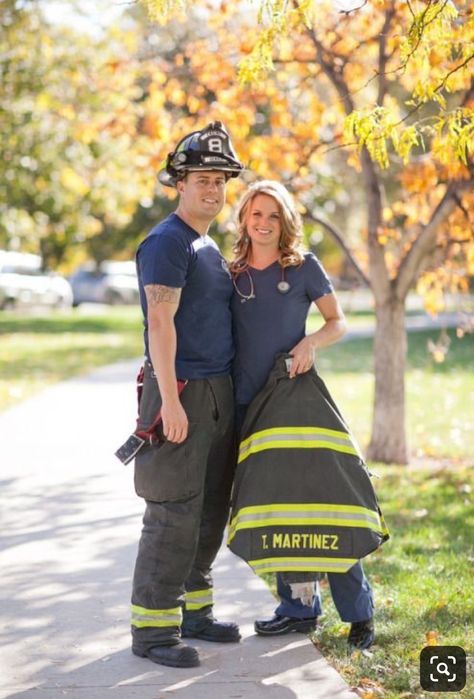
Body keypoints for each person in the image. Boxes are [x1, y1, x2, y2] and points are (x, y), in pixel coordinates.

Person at [229, 180, 376, 651]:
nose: (264, 223)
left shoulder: (303, 266)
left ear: (285, 220)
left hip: (293, 396)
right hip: (248, 406)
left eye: (273, 215)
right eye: (256, 214)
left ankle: (359, 613)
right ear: (244, 219)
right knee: (279, 506)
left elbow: (338, 322)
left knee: (326, 501)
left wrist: (310, 342)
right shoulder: (230, 271)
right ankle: (297, 608)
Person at [130, 122, 244, 668]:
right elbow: (160, 321)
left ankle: (195, 613)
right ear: (179, 182)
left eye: (221, 181)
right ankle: (152, 634)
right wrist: (170, 403)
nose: (213, 190)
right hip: (180, 391)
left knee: (207, 513)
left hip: (216, 393)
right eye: (202, 179)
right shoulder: (166, 242)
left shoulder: (205, 242)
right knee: (173, 513)